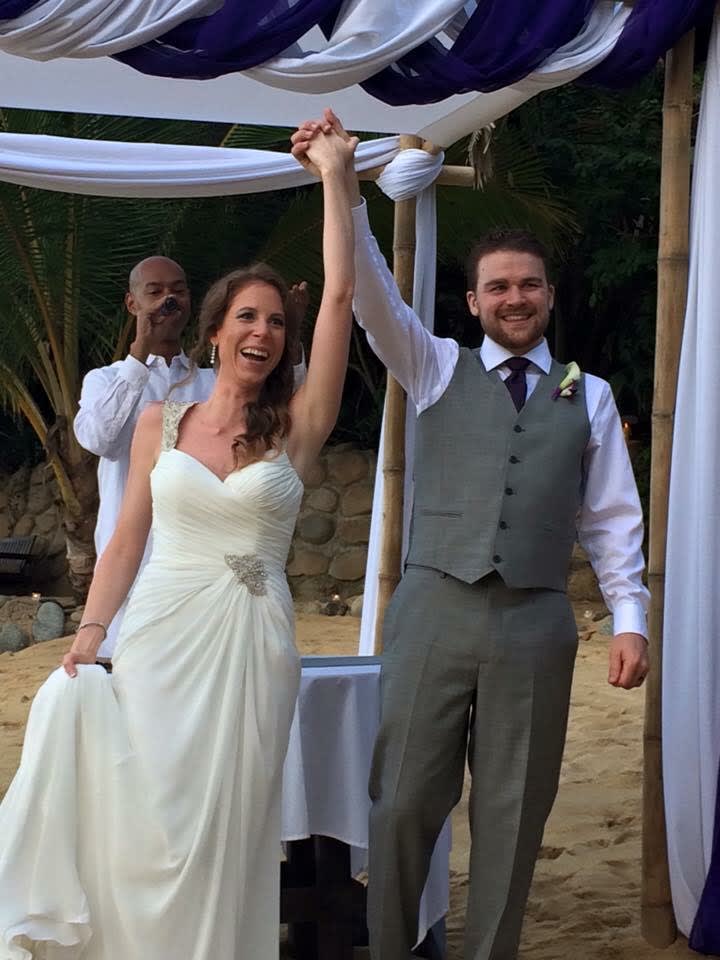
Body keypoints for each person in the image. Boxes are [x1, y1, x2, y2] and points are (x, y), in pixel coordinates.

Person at [293, 109, 650, 960]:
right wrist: (340, 184)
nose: (514, 298)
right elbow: (370, 291)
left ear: (549, 295)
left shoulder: (588, 393)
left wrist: (630, 618)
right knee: (404, 800)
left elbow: (609, 519)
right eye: (498, 287)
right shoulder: (434, 365)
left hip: (535, 623)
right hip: (434, 611)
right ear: (473, 300)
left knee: (513, 810)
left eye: (528, 285)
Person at [0, 122, 358, 960]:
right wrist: (89, 635)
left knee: (227, 827)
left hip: (250, 646)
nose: (262, 332)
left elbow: (339, 296)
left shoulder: (298, 429)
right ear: (214, 329)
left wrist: (336, 179)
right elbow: (126, 540)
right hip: (159, 637)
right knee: (149, 818)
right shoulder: (160, 421)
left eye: (274, 320)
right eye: (245, 316)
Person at [74, 255, 308, 661]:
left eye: (178, 291)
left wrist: (290, 330)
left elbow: (291, 406)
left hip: (209, 581)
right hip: (131, 568)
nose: (169, 300)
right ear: (132, 304)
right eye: (156, 292)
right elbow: (97, 439)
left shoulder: (214, 381)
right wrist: (139, 353)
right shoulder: (107, 379)